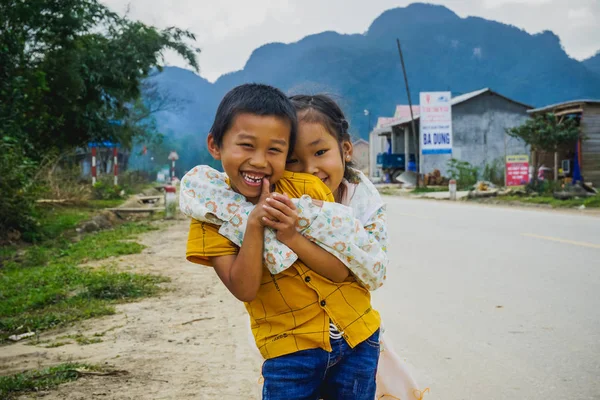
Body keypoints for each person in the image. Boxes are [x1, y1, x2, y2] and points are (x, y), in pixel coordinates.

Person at [184, 85, 383, 399]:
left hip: (357, 335)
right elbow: (244, 289)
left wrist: (290, 236)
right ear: (215, 144)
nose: (260, 161)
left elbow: (340, 271)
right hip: (289, 353)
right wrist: (253, 226)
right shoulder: (210, 217)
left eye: (275, 150)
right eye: (246, 146)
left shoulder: (306, 189)